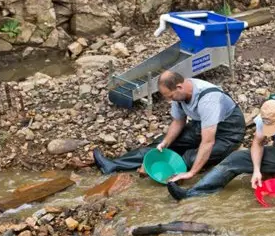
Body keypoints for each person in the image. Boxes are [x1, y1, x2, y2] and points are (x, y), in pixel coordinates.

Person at [167, 99, 275, 230]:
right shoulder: (264, 118)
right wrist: (257, 170)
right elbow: (257, 143)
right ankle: (194, 192)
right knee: (236, 159)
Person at [93, 71, 245, 179]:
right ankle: (112, 165)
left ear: (179, 87)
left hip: (228, 133)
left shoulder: (208, 99)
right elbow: (178, 121)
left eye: (170, 96)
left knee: (189, 159)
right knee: (159, 145)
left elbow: (208, 141)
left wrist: (191, 173)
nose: (169, 101)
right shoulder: (179, 96)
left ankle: (164, 171)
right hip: (201, 125)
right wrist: (166, 143)